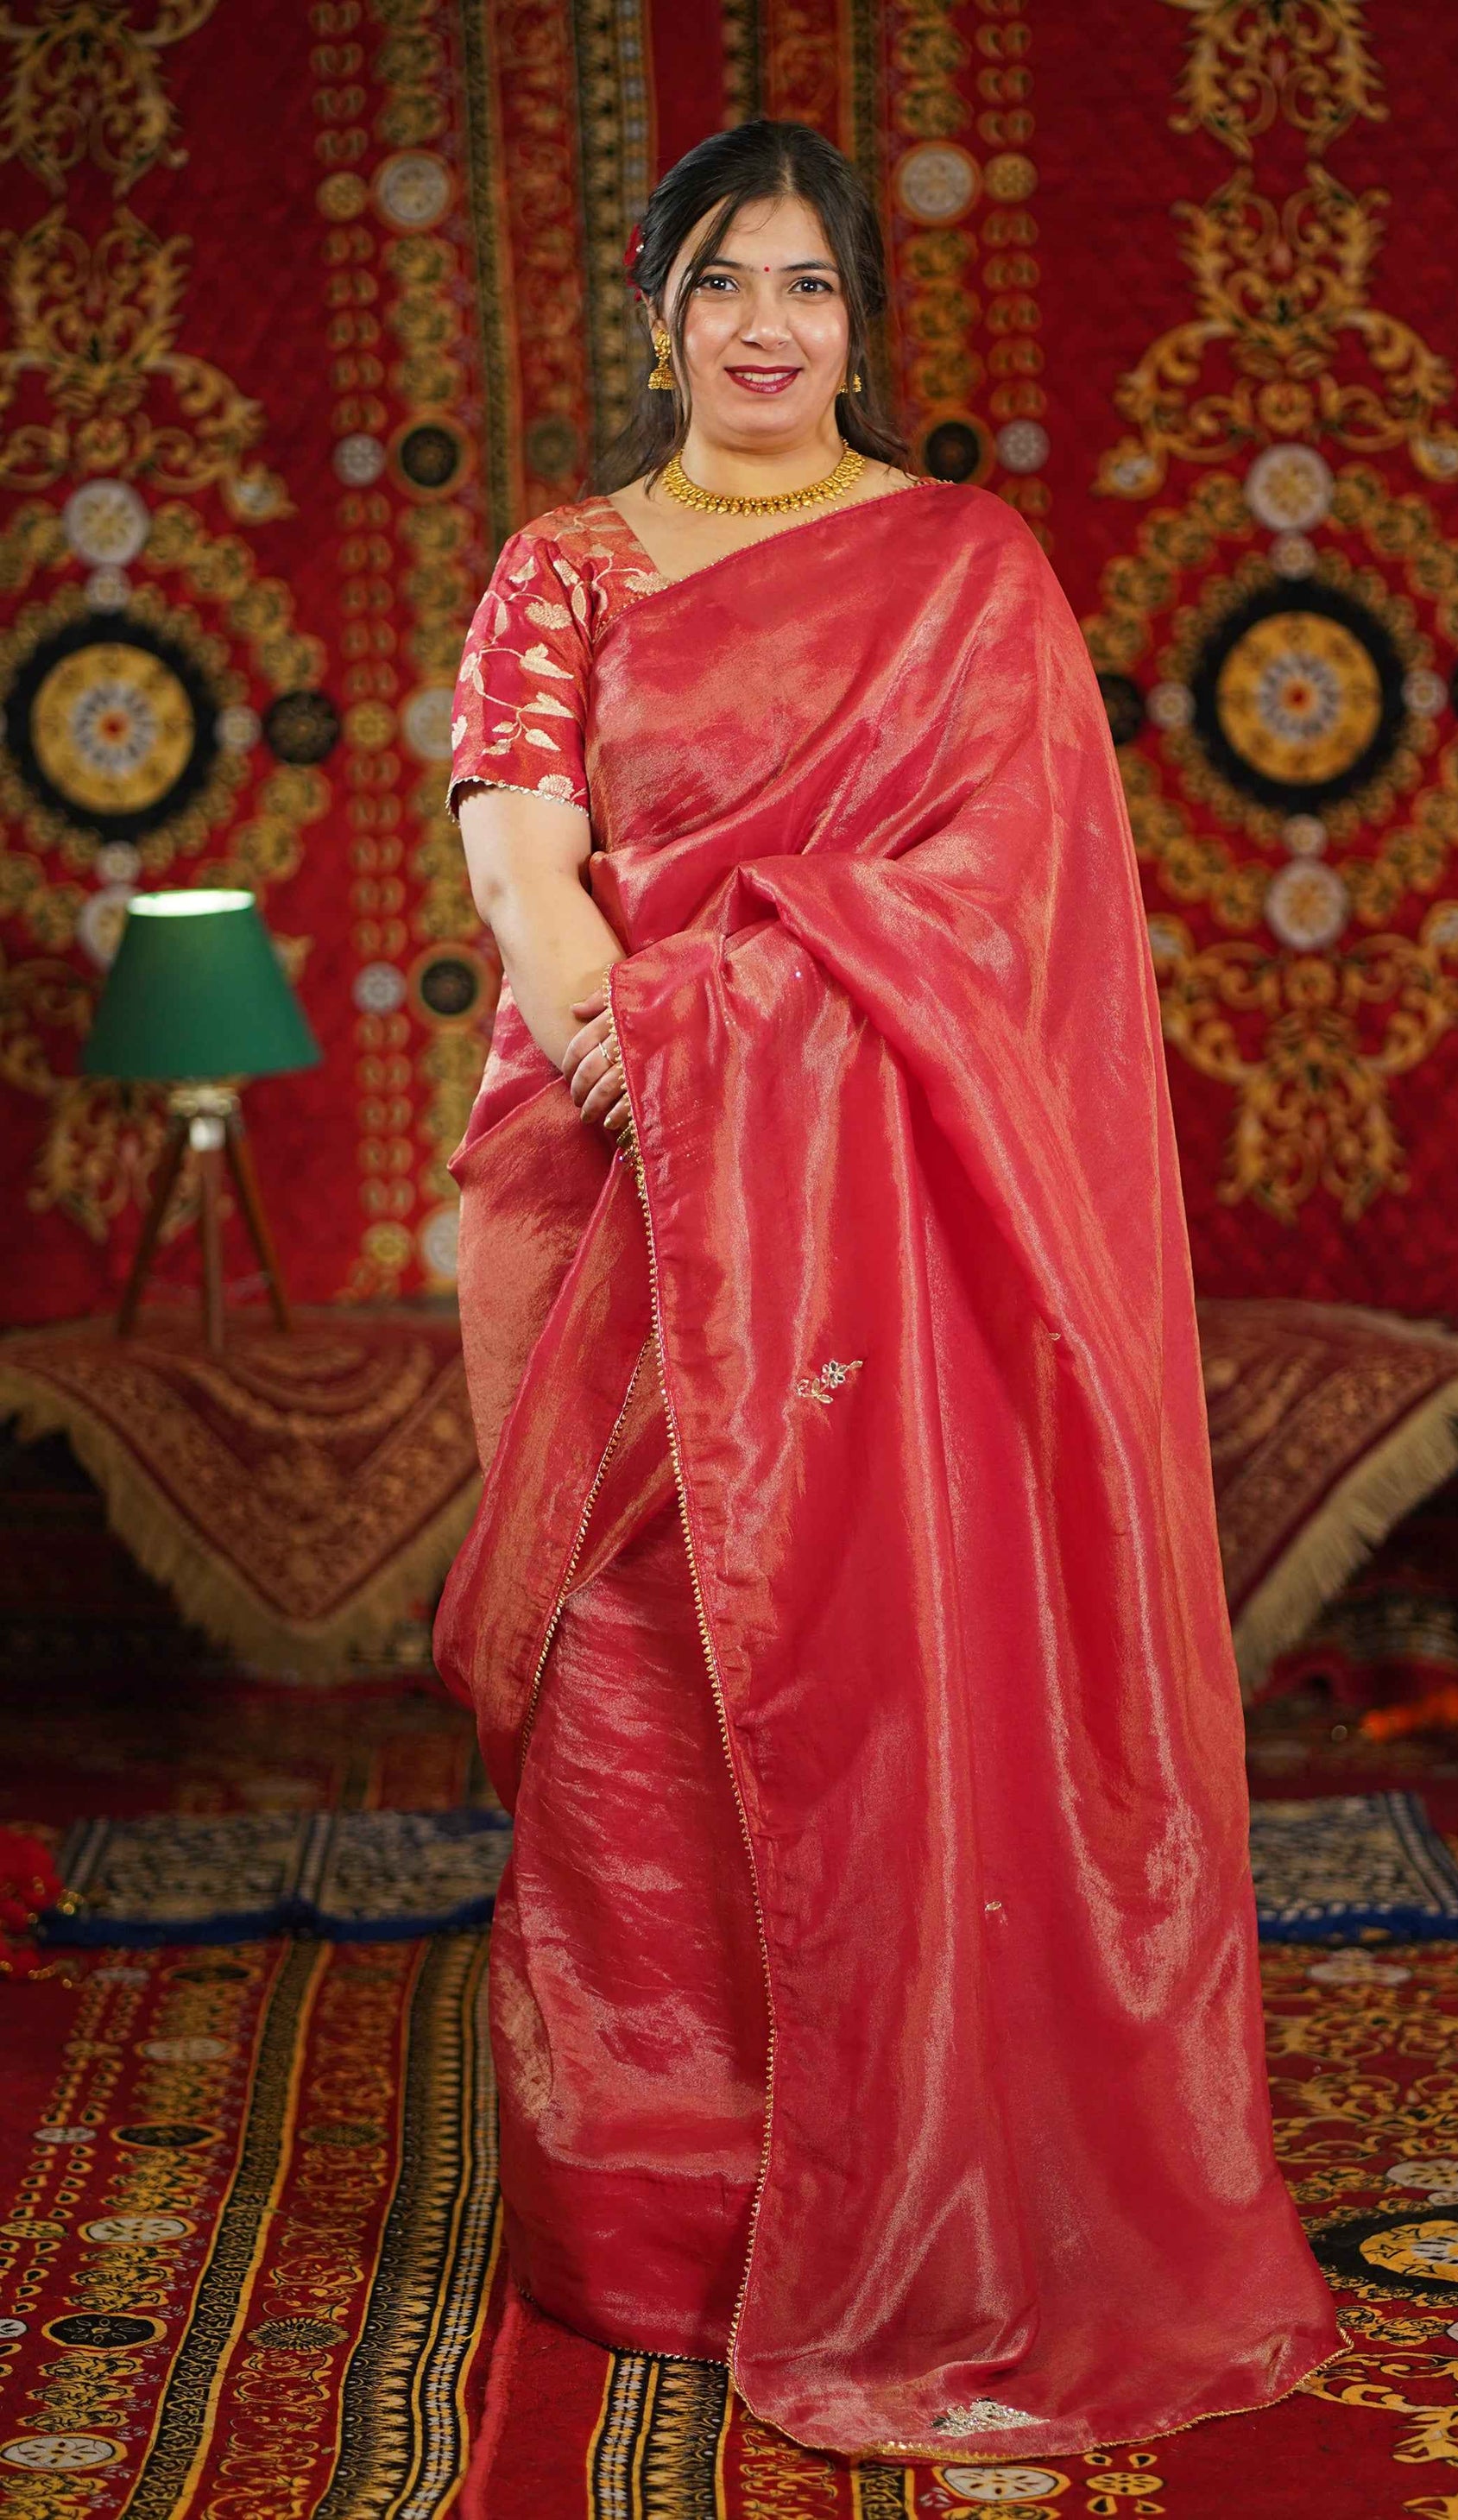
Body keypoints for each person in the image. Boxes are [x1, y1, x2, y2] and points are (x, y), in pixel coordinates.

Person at [437, 117, 1341, 2462]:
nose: (767, 327)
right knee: (635, 1673)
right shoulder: (565, 565)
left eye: (809, 286)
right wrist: (634, 1051)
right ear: (656, 306)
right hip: (627, 1182)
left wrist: (731, 1035)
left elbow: (1009, 895)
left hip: (896, 1218)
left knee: (906, 1642)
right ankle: (661, 2219)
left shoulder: (962, 567)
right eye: (724, 282)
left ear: (856, 318)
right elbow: (521, 853)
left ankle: (938, 2186)